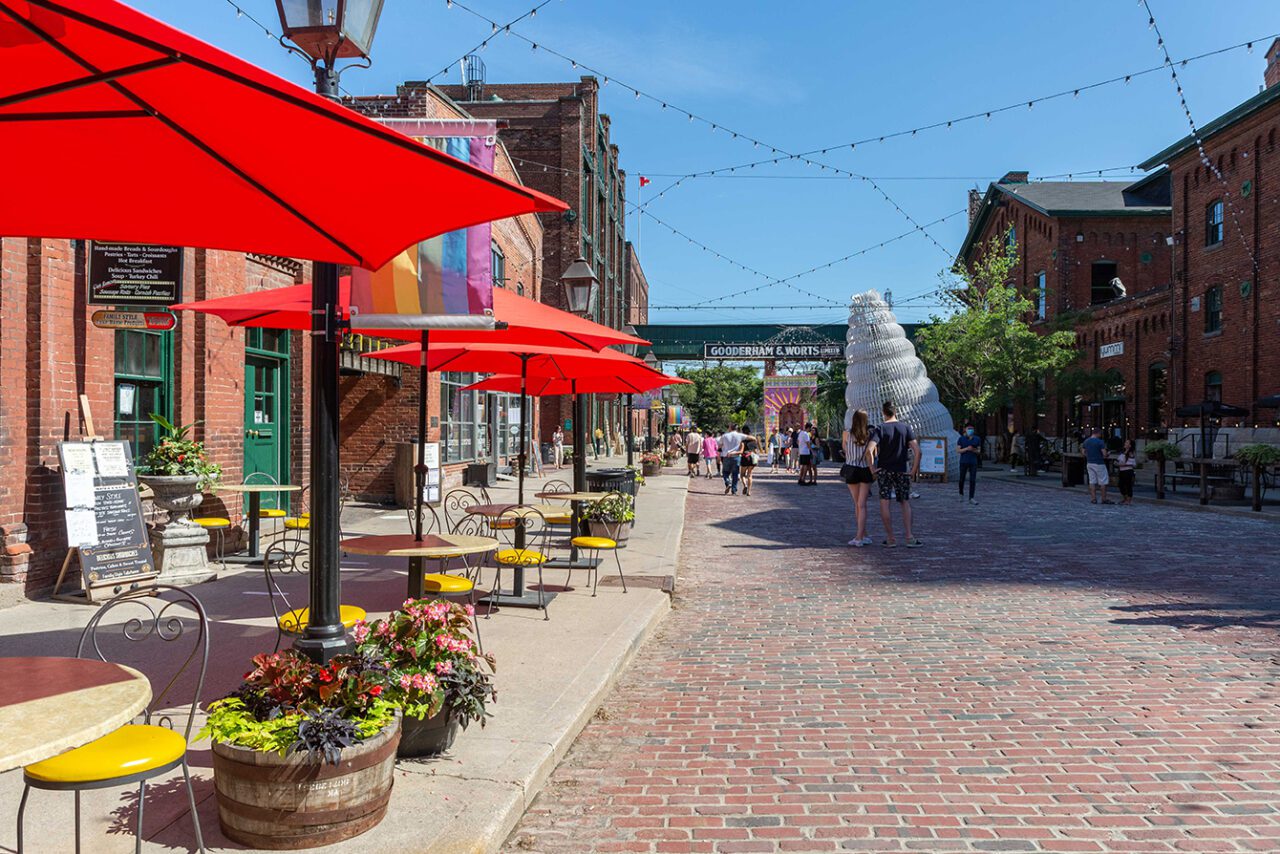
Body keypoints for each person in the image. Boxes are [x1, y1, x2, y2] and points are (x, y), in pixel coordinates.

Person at [867, 400, 922, 548]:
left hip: (884, 470)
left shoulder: (880, 428)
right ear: (895, 411)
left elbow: (869, 450)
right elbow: (917, 451)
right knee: (905, 502)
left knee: (884, 502)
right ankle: (909, 537)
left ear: (883, 413)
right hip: (902, 469)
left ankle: (891, 538)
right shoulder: (905, 428)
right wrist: (913, 470)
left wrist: (872, 468)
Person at [842, 409, 876, 546]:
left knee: (857, 504)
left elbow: (844, 449)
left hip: (851, 469)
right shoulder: (869, 435)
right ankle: (863, 534)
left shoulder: (846, 434)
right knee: (862, 505)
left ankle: (859, 537)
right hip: (865, 470)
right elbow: (870, 454)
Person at [1083, 427, 1112, 505]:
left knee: (1092, 481)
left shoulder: (1086, 441)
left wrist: (1088, 456)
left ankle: (1093, 498)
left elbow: (1083, 452)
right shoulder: (1100, 442)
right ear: (1098, 433)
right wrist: (1107, 454)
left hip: (1089, 462)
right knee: (1103, 481)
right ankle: (1103, 498)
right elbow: (1104, 454)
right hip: (1099, 463)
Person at [956, 423, 981, 505]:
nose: (970, 430)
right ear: (965, 429)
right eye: (969, 428)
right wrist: (967, 448)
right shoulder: (961, 439)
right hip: (963, 461)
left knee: (972, 480)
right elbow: (958, 450)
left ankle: (971, 497)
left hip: (973, 462)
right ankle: (961, 494)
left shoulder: (977, 439)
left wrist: (973, 450)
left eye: (972, 428)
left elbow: (979, 451)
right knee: (961, 479)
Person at [719, 424, 745, 495]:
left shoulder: (724, 436)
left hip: (726, 456)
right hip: (736, 457)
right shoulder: (740, 435)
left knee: (725, 472)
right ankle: (734, 490)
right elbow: (750, 438)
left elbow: (720, 445)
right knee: (735, 474)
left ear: (730, 428)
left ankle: (728, 482)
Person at [1115, 439, 1137, 505]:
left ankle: (1128, 500)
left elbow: (1132, 463)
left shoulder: (1131, 453)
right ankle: (1125, 498)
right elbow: (1118, 460)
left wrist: (1121, 464)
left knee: (1128, 486)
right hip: (1122, 471)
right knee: (1121, 485)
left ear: (1130, 445)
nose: (1125, 443)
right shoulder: (1123, 452)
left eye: (1127, 443)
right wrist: (1117, 463)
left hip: (1128, 471)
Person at [739, 426, 760, 496]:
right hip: (752, 458)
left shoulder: (743, 441)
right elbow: (755, 451)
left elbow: (741, 450)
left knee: (742, 474)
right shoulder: (754, 441)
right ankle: (749, 491)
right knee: (750, 475)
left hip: (745, 457)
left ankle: (745, 485)